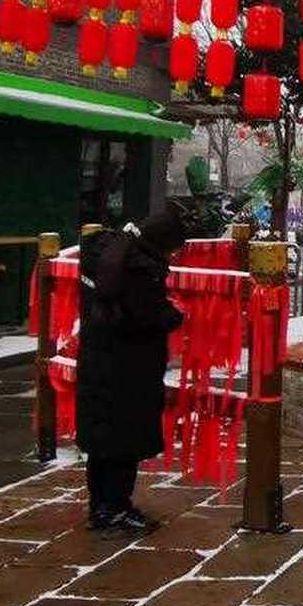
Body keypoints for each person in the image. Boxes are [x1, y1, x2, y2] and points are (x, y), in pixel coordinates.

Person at [76, 209, 187, 533]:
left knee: (102, 443)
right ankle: (116, 508)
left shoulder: (107, 254)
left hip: (98, 361)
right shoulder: (137, 269)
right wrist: (178, 315)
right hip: (127, 368)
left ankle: (101, 506)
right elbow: (150, 314)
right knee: (123, 442)